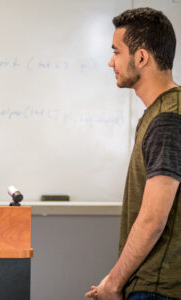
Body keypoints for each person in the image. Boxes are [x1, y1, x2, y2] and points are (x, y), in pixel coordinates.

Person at [85, 7, 181, 300]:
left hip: (157, 290)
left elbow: (153, 219)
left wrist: (113, 284)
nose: (110, 61)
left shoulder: (167, 118)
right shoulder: (161, 113)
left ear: (141, 57)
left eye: (117, 51)